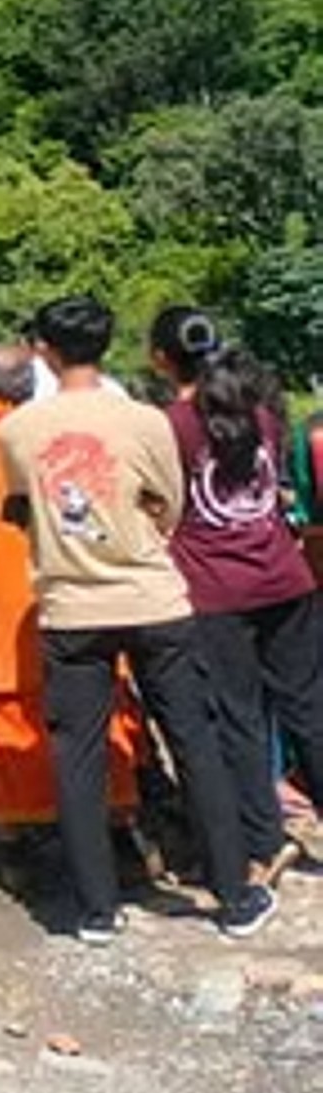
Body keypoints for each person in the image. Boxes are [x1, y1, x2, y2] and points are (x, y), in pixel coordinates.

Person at [0, 295, 270, 943]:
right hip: (152, 595)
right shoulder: (146, 420)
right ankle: (232, 895)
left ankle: (97, 909)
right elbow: (170, 503)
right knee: (193, 740)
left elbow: (21, 507)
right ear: (109, 344)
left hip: (70, 604)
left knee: (78, 752)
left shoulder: (16, 430)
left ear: (44, 350)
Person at [0, 344, 145, 854]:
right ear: (29, 387)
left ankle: (21, 840)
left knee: (10, 719)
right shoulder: (49, 434)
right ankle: (118, 831)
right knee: (100, 711)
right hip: (74, 592)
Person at [147, 306, 321, 884]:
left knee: (238, 720)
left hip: (216, 593)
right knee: (309, 707)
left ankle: (264, 841)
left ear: (161, 359)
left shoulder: (169, 425)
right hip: (285, 577)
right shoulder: (264, 412)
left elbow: (161, 504)